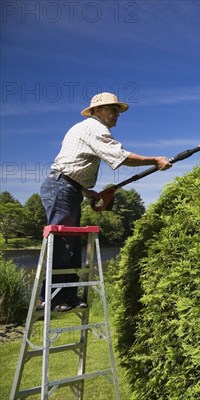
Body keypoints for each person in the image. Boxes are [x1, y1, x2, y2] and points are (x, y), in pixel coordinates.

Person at [39, 92, 172, 312]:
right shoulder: (94, 128)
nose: (116, 114)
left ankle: (68, 296)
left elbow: (73, 164)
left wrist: (85, 191)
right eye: (112, 109)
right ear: (97, 111)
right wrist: (154, 160)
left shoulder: (85, 128)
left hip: (69, 188)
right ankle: (51, 298)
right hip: (61, 187)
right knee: (62, 242)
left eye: (118, 111)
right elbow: (119, 157)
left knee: (71, 244)